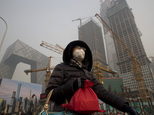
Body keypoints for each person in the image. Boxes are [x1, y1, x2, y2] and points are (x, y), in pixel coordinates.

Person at [46, 40, 138, 115]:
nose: (82, 50)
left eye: (84, 49)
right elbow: (49, 94)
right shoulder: (61, 68)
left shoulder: (88, 74)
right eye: (79, 48)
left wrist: (125, 106)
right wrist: (72, 86)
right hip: (66, 112)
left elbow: (103, 93)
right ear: (70, 50)